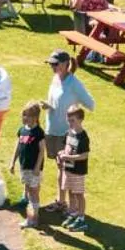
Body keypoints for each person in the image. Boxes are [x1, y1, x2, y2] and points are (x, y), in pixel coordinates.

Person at [43, 50, 95, 210]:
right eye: (51, 64)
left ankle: (65, 204)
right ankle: (62, 201)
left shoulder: (74, 83)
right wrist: (49, 106)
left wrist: (74, 114)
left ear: (66, 64)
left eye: (55, 64)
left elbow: (90, 104)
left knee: (65, 169)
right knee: (59, 167)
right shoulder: (55, 78)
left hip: (65, 134)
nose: (52, 66)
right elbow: (56, 102)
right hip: (51, 128)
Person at [12, 101, 47, 229]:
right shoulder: (22, 131)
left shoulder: (38, 132)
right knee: (28, 191)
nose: (25, 118)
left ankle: (34, 218)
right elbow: (18, 147)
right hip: (24, 167)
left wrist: (37, 167)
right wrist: (13, 162)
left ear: (35, 117)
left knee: (34, 193)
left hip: (34, 169)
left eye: (28, 115)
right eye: (24, 115)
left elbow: (42, 150)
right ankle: (31, 218)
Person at [57, 105, 92, 230]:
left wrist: (69, 158)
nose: (70, 123)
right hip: (68, 170)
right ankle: (73, 213)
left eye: (72, 120)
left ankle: (81, 218)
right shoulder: (69, 133)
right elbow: (65, 149)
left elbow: (85, 155)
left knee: (79, 194)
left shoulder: (83, 136)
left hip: (78, 171)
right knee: (71, 192)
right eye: (68, 120)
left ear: (80, 120)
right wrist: (60, 154)